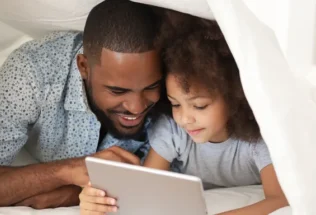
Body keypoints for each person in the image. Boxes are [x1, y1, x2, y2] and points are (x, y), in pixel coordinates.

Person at [79, 10, 289, 215]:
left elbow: (280, 199)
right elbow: (144, 189)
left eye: (200, 106)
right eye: (175, 104)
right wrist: (96, 201)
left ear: (233, 96)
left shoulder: (258, 141)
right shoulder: (173, 130)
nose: (184, 119)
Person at [0, 0, 165, 210]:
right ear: (84, 67)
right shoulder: (31, 73)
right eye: (117, 91)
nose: (136, 107)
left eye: (151, 87)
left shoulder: (174, 77)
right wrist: (68, 170)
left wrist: (68, 194)